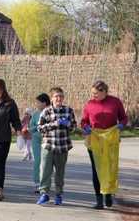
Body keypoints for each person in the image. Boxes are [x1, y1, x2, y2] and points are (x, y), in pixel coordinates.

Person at [80, 80, 128, 209]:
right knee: (97, 169)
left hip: (110, 139)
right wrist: (86, 127)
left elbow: (124, 117)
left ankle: (108, 193)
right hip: (94, 139)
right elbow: (83, 121)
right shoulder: (89, 104)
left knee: (110, 168)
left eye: (96, 93)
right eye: (92, 93)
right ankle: (99, 200)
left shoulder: (115, 102)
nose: (93, 96)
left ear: (104, 92)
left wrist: (121, 125)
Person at [36, 87, 76, 206]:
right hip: (48, 146)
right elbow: (39, 128)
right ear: (52, 98)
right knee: (45, 171)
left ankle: (58, 195)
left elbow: (74, 127)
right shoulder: (46, 111)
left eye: (61, 96)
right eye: (56, 96)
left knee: (60, 172)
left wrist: (68, 124)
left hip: (62, 146)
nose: (59, 98)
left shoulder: (68, 110)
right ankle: (44, 194)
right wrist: (54, 124)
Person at [30, 93, 51, 192]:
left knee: (46, 162)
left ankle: (46, 183)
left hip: (47, 140)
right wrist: (38, 128)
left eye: (38, 102)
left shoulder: (51, 112)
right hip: (36, 140)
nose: (37, 104)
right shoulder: (35, 114)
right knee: (38, 160)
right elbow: (31, 128)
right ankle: (37, 182)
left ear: (44, 103)